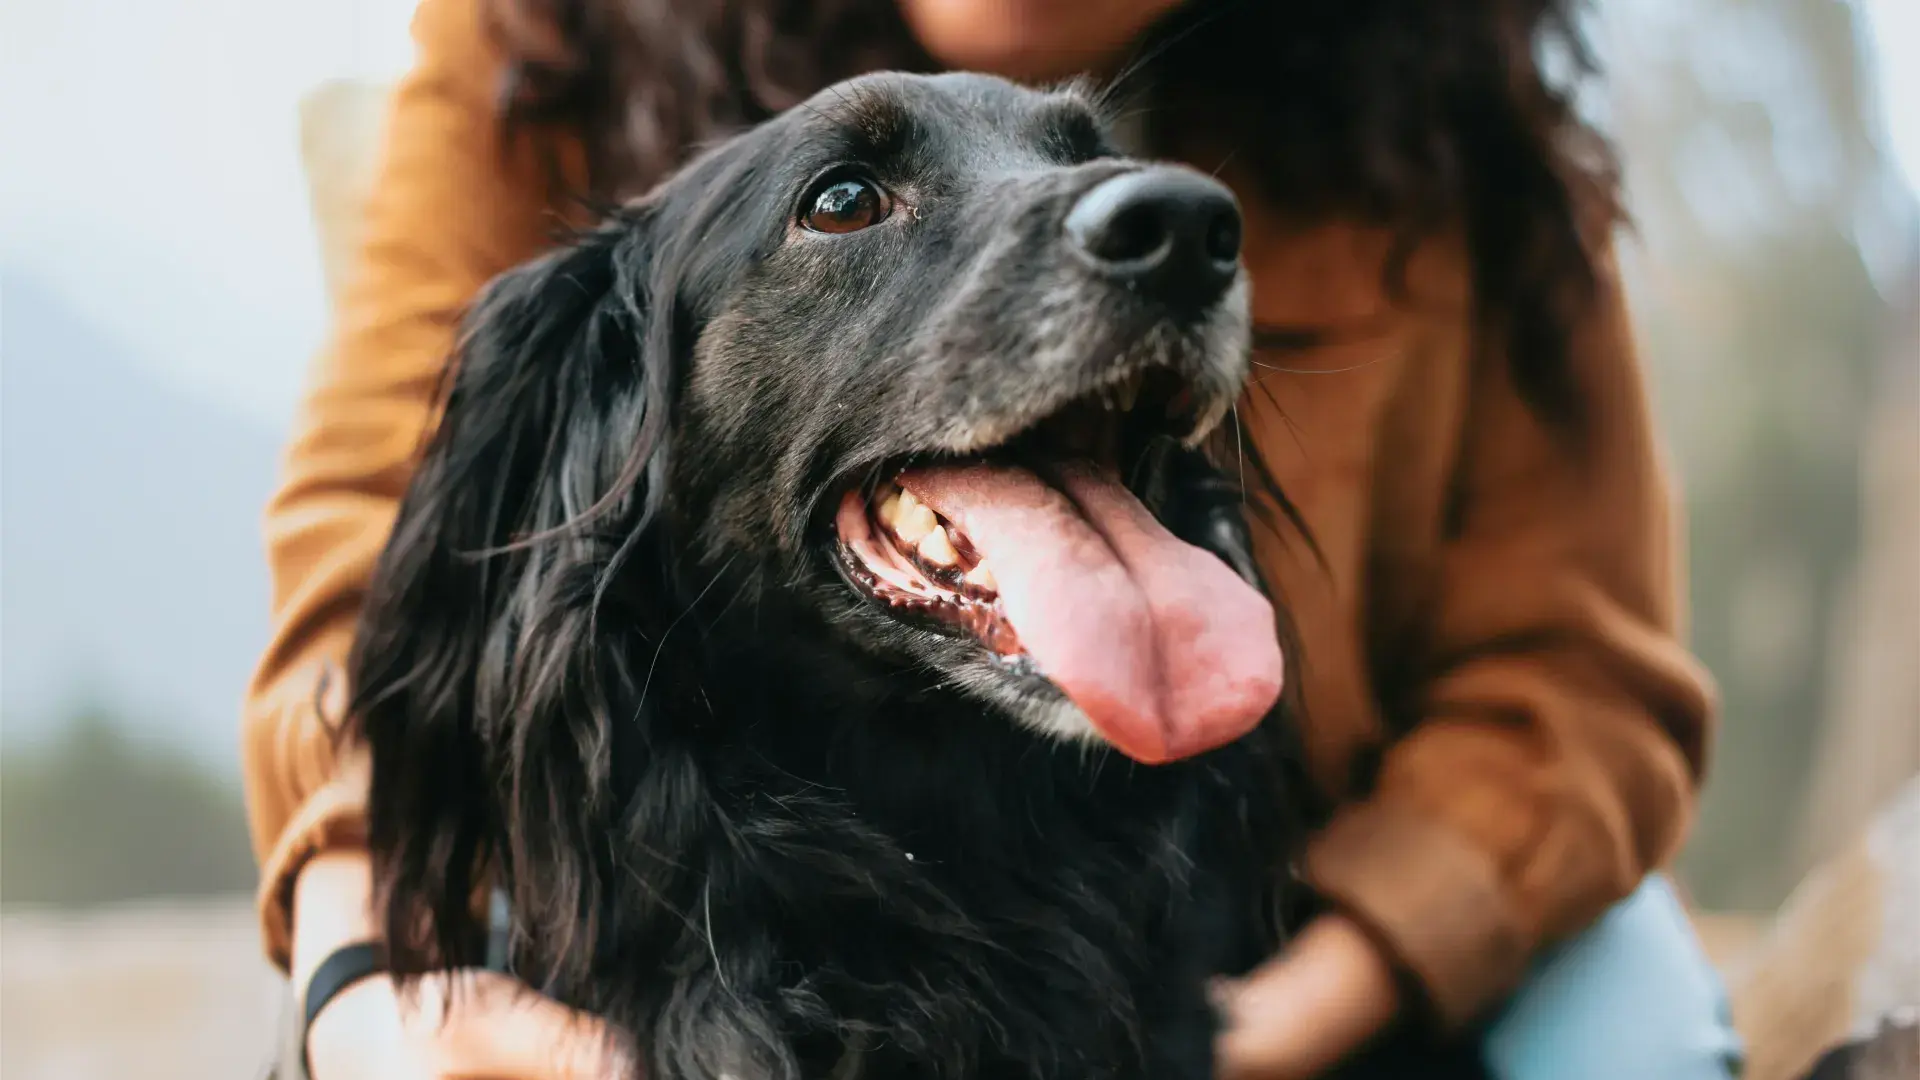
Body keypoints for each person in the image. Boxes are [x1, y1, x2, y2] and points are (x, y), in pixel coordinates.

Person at [243, 1, 1745, 1077]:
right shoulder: (547, 33)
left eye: (1088, 173)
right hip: (675, 870)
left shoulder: (1453, 94)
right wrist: (364, 980)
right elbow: (392, 547)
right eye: (848, 203)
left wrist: (1289, 1017)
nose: (1147, 222)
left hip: (1306, 897)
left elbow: (1579, 675)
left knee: (1643, 1039)